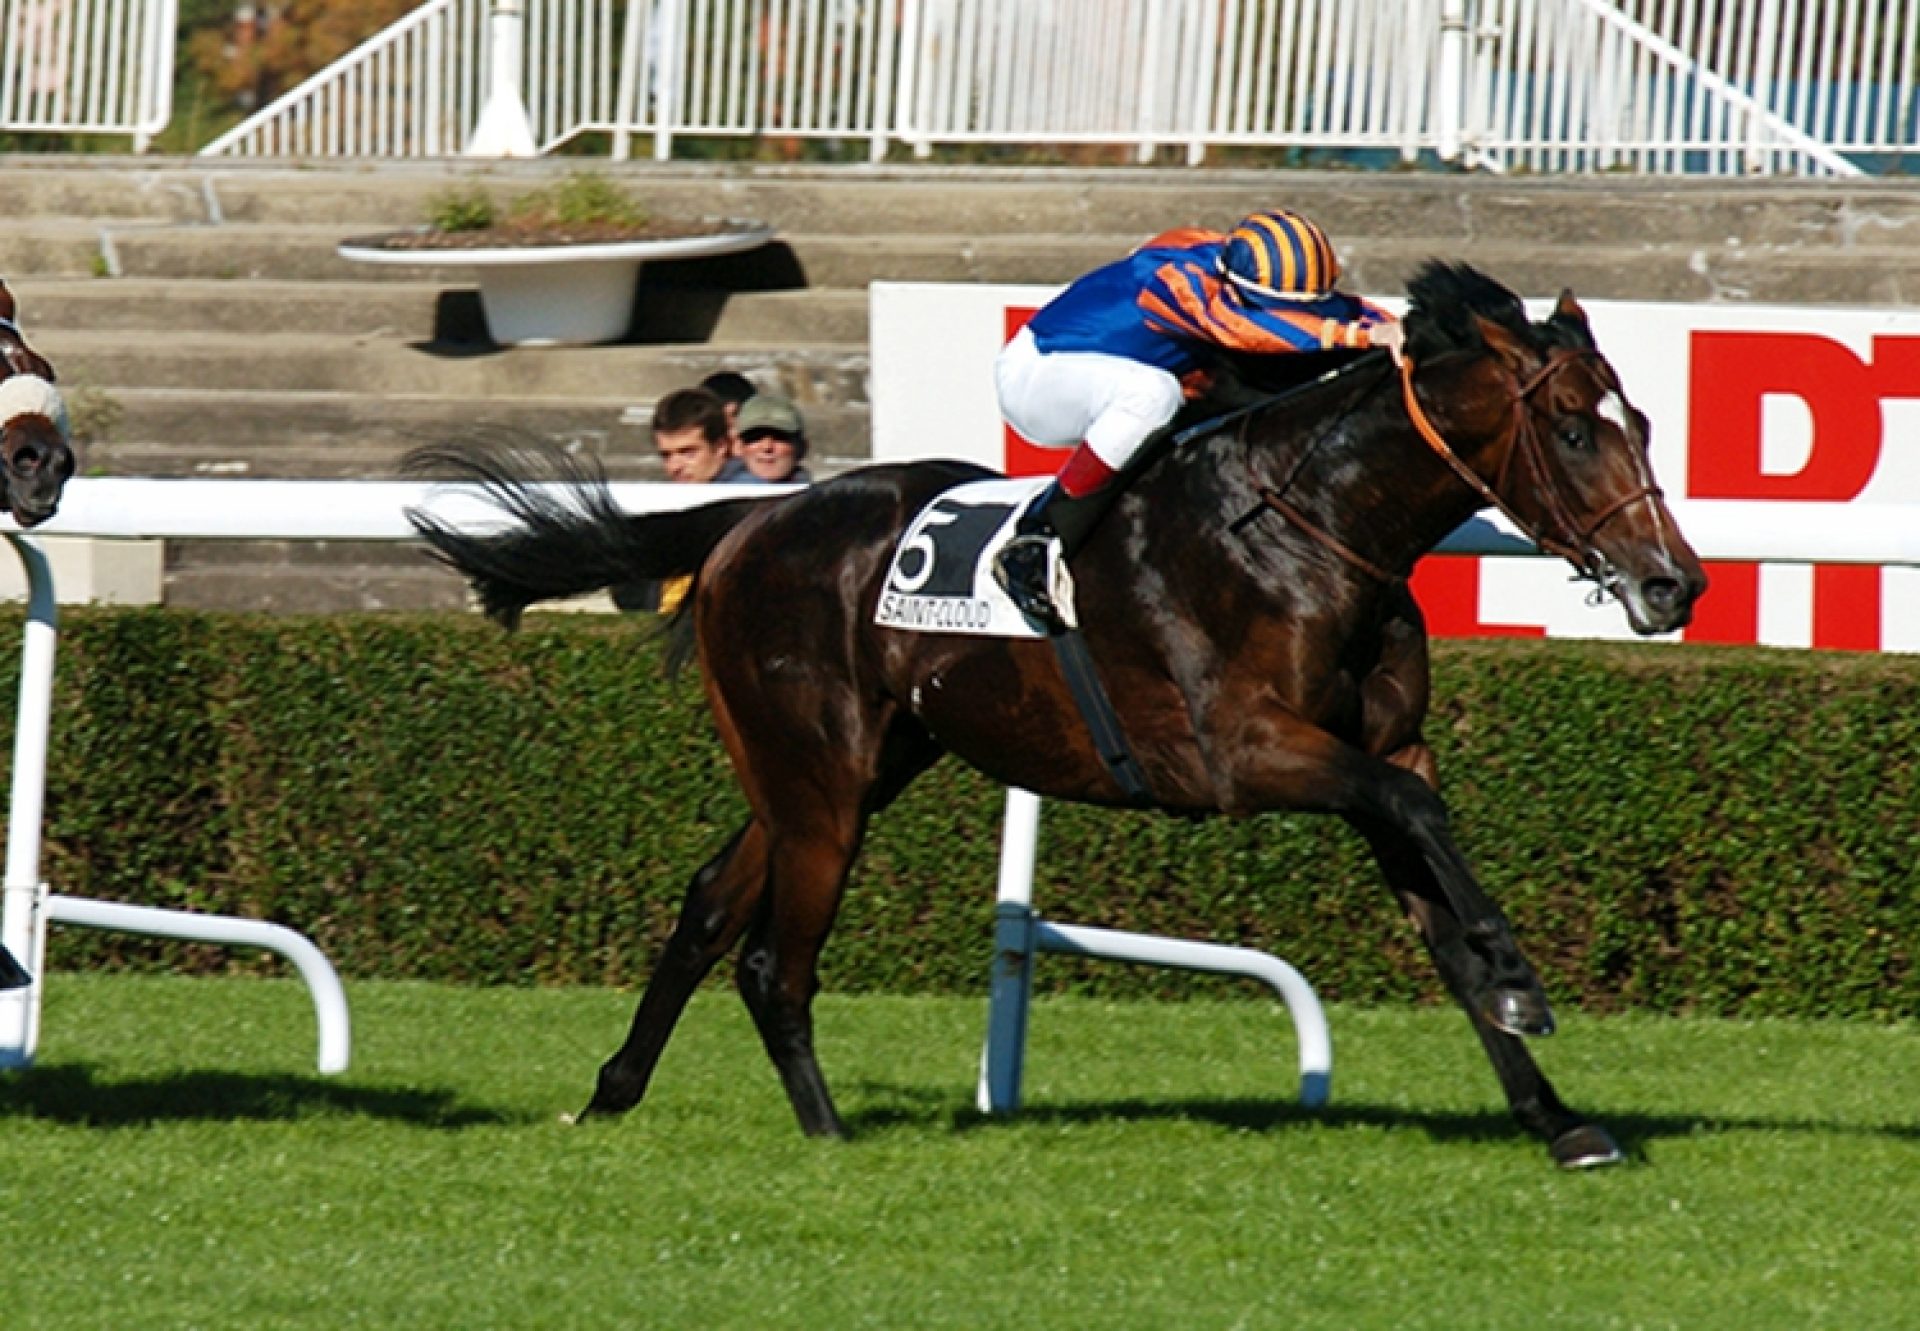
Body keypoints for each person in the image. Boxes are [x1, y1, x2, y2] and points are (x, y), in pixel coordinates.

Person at [991, 209, 1405, 628]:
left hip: (1121, 368)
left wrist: (1404, 331)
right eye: (1272, 305)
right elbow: (1243, 328)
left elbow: (1348, 312)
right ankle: (1037, 532)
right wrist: (1359, 336)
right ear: (1232, 283)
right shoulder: (1176, 282)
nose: (1282, 313)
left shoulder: (1240, 264)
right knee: (1154, 394)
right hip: (1038, 376)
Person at [612, 387, 757, 611]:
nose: (675, 466)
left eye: (688, 452)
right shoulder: (668, 502)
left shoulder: (752, 501)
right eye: (666, 455)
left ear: (720, 447)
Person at [732, 393, 813, 485]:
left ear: (802, 447)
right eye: (755, 437)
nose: (767, 447)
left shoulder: (822, 497)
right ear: (738, 447)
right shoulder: (717, 495)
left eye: (780, 437)